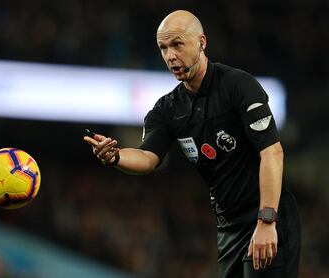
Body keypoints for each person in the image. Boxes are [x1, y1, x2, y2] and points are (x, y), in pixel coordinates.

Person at [84, 10, 300, 278]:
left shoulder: (239, 86)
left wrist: (267, 220)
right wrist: (115, 156)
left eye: (177, 44)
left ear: (202, 42)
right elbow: (147, 158)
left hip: (267, 218)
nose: (170, 55)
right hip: (229, 229)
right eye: (163, 48)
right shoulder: (166, 110)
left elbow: (272, 153)